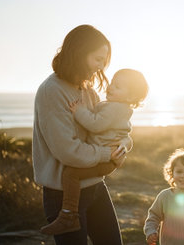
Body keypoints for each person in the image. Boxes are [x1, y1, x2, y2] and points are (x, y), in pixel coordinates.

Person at [32, 24, 130, 245]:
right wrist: (108, 153)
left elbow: (111, 128)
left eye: (104, 61)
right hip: (64, 195)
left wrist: (123, 144)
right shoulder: (52, 91)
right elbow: (69, 152)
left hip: (95, 186)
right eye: (98, 59)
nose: (101, 67)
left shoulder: (88, 91)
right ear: (79, 53)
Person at [40, 68, 149, 235]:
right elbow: (123, 133)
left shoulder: (116, 109)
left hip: (105, 161)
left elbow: (95, 124)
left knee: (70, 174)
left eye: (118, 87)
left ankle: (68, 215)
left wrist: (79, 111)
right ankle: (70, 214)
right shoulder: (115, 106)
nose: (110, 87)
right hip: (105, 160)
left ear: (129, 97)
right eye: (112, 83)